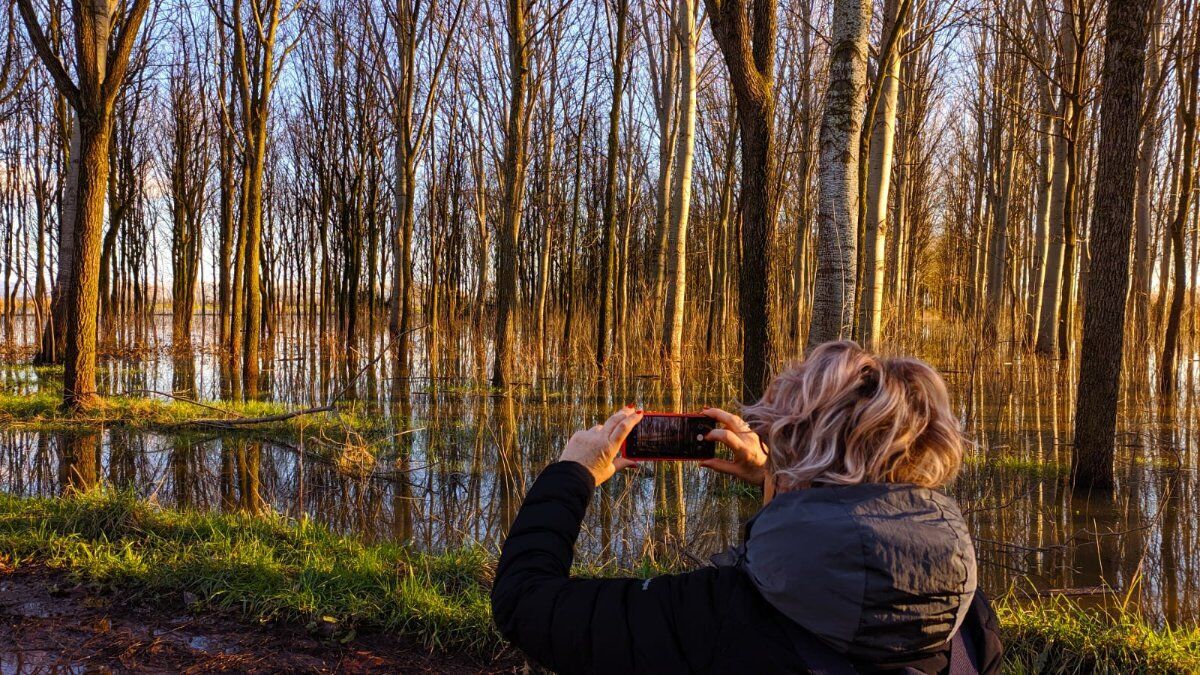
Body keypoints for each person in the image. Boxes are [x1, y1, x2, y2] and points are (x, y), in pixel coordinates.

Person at [491, 341, 1002, 674]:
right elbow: (837, 563)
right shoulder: (965, 615)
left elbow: (526, 602)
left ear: (794, 451)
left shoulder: (712, 617)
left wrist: (573, 472)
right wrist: (773, 479)